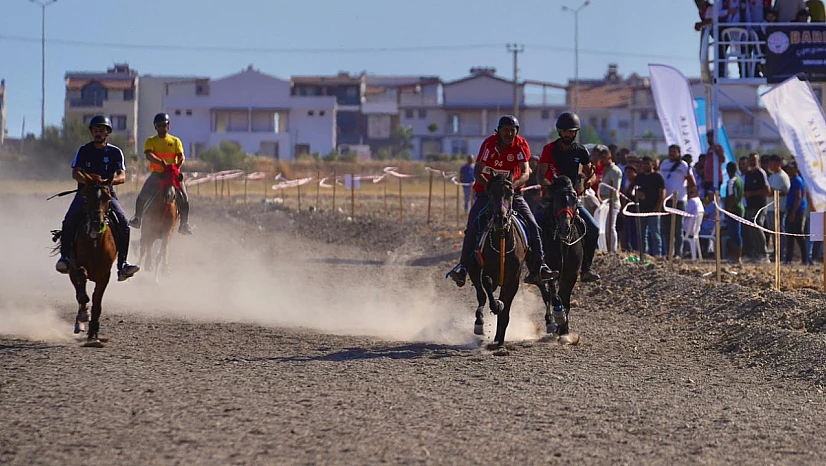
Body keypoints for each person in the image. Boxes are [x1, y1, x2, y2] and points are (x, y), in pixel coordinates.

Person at [447, 115, 554, 287]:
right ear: (499, 131)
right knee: (473, 223)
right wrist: (490, 187)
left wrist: (512, 186)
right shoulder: (489, 145)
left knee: (533, 224)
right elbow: (478, 171)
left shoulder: (521, 145)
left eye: (513, 131)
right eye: (506, 130)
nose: (509, 134)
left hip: (512, 193)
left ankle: (540, 266)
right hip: (487, 192)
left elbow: (526, 173)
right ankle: (463, 267)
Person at [55, 115, 140, 282]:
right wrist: (90, 182)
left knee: (123, 222)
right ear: (92, 132)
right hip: (85, 193)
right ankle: (64, 257)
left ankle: (122, 264)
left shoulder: (115, 152)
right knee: (69, 219)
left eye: (101, 130)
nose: (98, 133)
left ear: (107, 132)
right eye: (95, 130)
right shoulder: (84, 150)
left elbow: (122, 176)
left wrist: (106, 182)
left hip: (107, 194)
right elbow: (75, 172)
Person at [536, 111, 601, 282]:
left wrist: (588, 182)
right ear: (559, 131)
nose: (568, 134)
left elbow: (592, 174)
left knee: (594, 229)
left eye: (572, 131)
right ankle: (536, 268)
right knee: (533, 227)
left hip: (572, 201)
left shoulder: (580, 151)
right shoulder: (549, 149)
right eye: (565, 131)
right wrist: (549, 188)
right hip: (552, 199)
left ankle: (586, 268)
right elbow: (540, 175)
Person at [129, 113, 193, 234]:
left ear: (168, 126)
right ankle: (137, 218)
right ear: (155, 127)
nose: (162, 128)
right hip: (158, 174)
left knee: (184, 197)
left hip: (172, 175)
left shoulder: (175, 141)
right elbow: (148, 155)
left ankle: (184, 223)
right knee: (143, 194)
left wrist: (177, 166)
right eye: (159, 126)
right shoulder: (151, 141)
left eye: (164, 125)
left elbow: (181, 156)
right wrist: (161, 163)